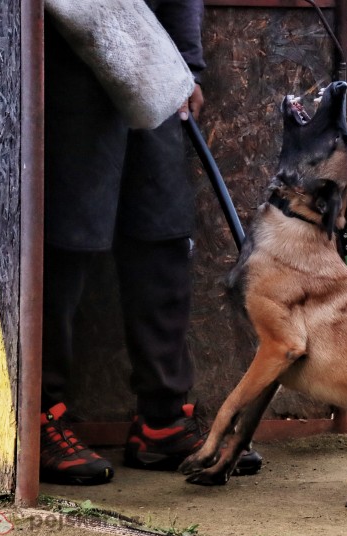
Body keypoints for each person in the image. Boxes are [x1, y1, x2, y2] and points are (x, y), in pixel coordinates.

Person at [40, 0, 261, 485]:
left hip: (147, 59)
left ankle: (162, 421)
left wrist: (185, 64)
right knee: (67, 241)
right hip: (59, 62)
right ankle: (41, 418)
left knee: (162, 237)